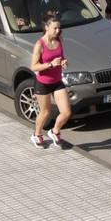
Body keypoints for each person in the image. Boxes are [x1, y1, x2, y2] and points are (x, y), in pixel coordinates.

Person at [29, 16, 72, 149]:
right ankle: (36, 135)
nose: (58, 31)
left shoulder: (59, 40)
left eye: (59, 28)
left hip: (57, 81)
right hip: (43, 83)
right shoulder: (39, 45)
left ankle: (54, 131)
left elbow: (61, 57)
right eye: (55, 28)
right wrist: (50, 64)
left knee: (66, 112)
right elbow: (34, 66)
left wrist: (64, 62)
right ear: (47, 28)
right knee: (45, 112)